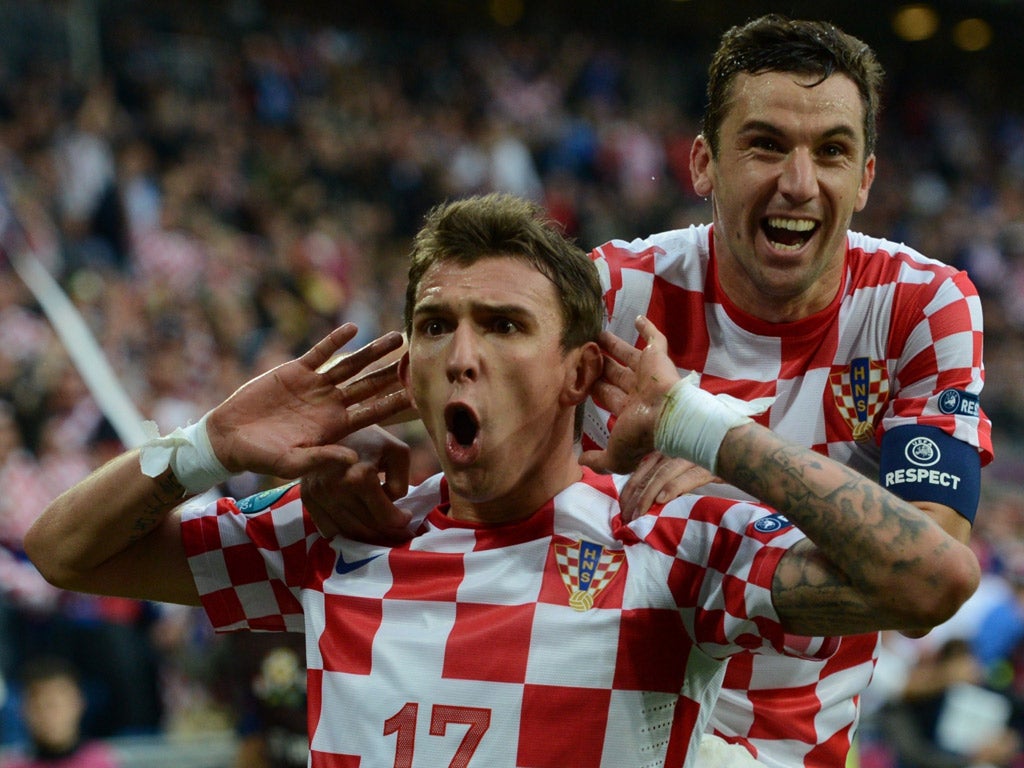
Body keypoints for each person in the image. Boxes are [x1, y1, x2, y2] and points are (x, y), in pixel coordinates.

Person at [23, 193, 979, 767]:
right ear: (408, 370)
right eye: (437, 325)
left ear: (578, 375)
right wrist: (207, 446)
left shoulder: (674, 547)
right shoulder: (339, 538)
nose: (462, 354)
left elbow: (930, 579)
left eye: (506, 325)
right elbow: (64, 552)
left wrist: (702, 427)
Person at [302, 15, 993, 767]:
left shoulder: (922, 304)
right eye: (764, 144)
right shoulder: (616, 291)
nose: (799, 182)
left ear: (865, 178)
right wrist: (347, 445)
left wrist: (716, 455)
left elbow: (933, 556)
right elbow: (450, 393)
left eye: (831, 151)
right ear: (703, 165)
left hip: (787, 743)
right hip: (613, 708)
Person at [4, 655, 120, 768]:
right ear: (23, 711)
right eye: (40, 707)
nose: (49, 716)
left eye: (56, 705)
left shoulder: (100, 761)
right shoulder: (13, 764)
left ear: (78, 703)